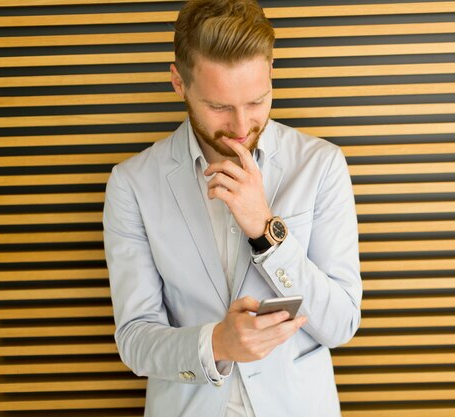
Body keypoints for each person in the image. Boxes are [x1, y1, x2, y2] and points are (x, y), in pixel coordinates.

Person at [103, 0, 362, 416]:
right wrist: (217, 344)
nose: (242, 128)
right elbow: (135, 341)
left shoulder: (321, 165)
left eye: (257, 101)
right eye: (220, 107)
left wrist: (266, 229)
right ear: (178, 82)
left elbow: (340, 323)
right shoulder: (132, 184)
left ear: (271, 72)